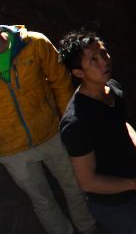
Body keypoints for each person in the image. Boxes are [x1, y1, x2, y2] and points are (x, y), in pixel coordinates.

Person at [58, 30, 136, 234]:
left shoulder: (112, 88)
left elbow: (120, 123)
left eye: (104, 53)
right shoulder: (77, 123)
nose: (104, 61)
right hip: (115, 205)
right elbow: (87, 181)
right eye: (93, 59)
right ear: (78, 72)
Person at [0, 25, 96, 234]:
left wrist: (67, 123)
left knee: (76, 186)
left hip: (52, 133)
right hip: (11, 150)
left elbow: (61, 82)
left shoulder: (33, 43)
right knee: (42, 200)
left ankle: (89, 230)